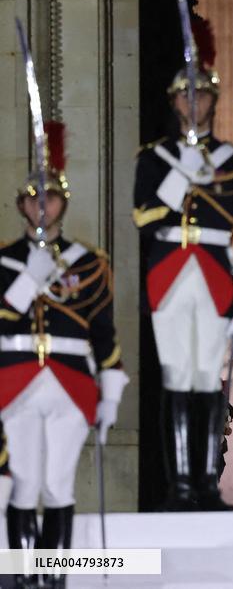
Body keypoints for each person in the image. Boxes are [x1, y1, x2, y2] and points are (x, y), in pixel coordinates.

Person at [133, 17, 233, 511]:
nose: (194, 104)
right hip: (169, 268)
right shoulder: (155, 158)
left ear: (212, 102)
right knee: (176, 378)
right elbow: (144, 216)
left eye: (202, 97)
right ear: (174, 102)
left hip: (213, 270)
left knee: (208, 379)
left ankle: (208, 485)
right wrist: (182, 173)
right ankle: (181, 487)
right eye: (185, 97)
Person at [1, 122, 128, 588]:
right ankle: (21, 575)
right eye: (33, 197)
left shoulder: (89, 263)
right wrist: (26, 279)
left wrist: (110, 388)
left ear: (62, 204)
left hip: (71, 381)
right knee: (24, 484)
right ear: (21, 204)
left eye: (50, 197)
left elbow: (103, 330)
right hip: (15, 380)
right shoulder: (4, 261)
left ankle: (54, 576)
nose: (41, 205)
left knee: (58, 485)